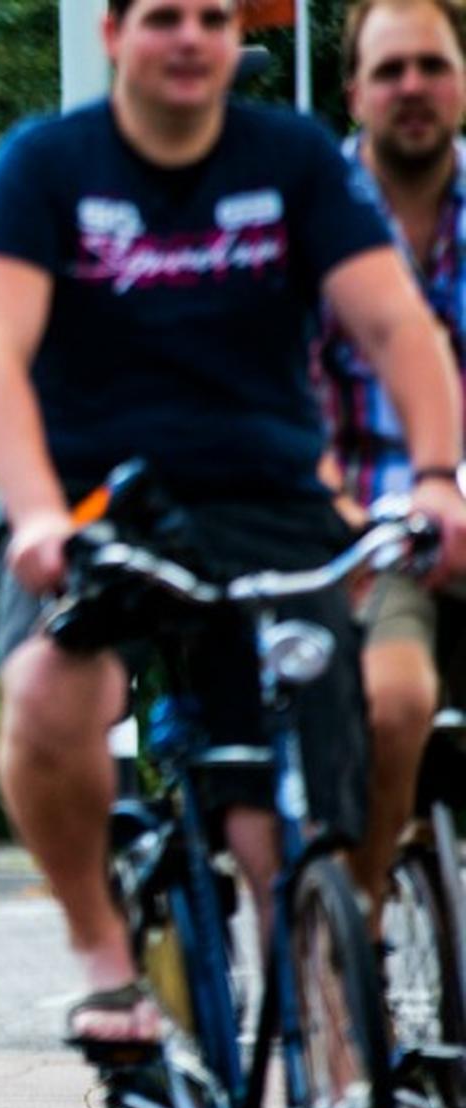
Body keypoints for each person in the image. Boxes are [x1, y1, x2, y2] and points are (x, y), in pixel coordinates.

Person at [0, 0, 466, 1056]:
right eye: (161, 16)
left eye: (213, 17)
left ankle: (329, 1054)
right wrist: (36, 507)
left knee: (296, 816)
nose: (189, 37)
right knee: (55, 691)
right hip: (99, 501)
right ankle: (104, 953)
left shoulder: (290, 162)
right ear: (113, 36)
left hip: (269, 503)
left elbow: (394, 323)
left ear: (237, 39)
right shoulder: (46, 166)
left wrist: (435, 478)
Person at [315, 0, 466, 922]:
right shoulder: (310, 218)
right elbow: (286, 405)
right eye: (389, 71)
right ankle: (361, 922)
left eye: (431, 66)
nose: (412, 88)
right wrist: (335, 522)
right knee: (397, 701)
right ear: (354, 93)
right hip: (369, 524)